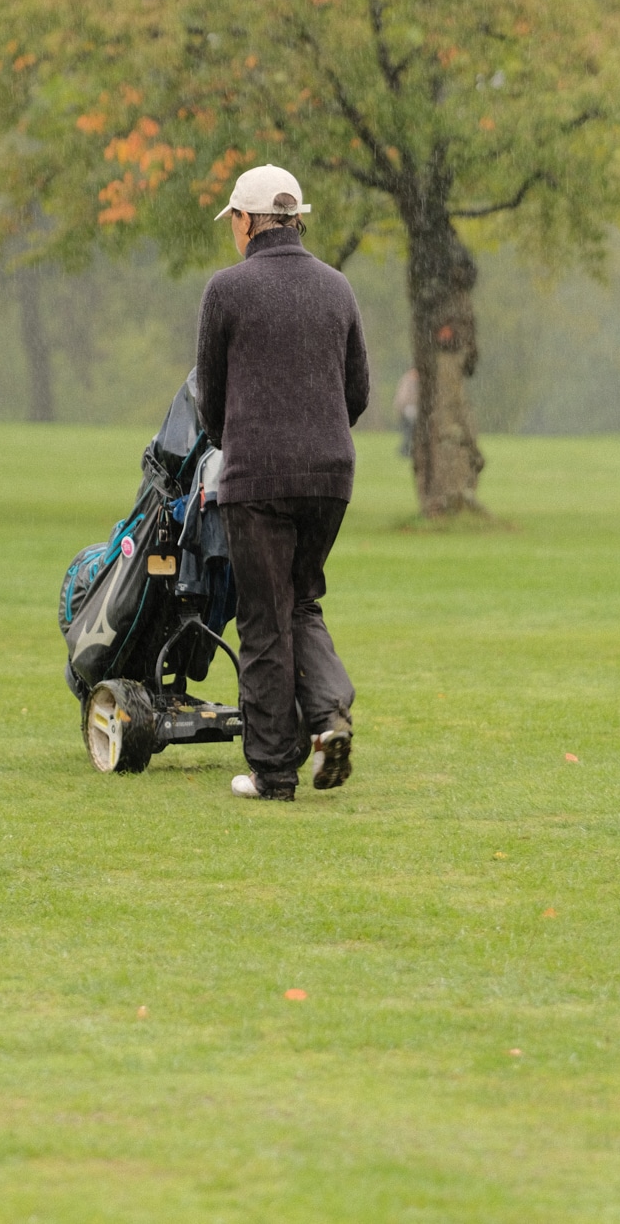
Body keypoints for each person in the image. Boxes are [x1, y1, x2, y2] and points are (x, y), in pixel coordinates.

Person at [195, 164, 369, 801]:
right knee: (301, 602)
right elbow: (358, 392)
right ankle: (328, 720)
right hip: (331, 476)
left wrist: (236, 440)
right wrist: (317, 438)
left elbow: (209, 399)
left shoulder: (226, 291)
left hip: (257, 478)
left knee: (263, 620)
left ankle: (273, 773)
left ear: (245, 222)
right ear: (296, 219)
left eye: (232, 224)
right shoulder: (338, 288)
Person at [394, 368, 419, 458]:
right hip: (408, 410)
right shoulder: (408, 382)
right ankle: (405, 450)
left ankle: (406, 450)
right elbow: (403, 398)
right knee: (408, 432)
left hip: (407, 410)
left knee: (408, 432)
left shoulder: (408, 381)